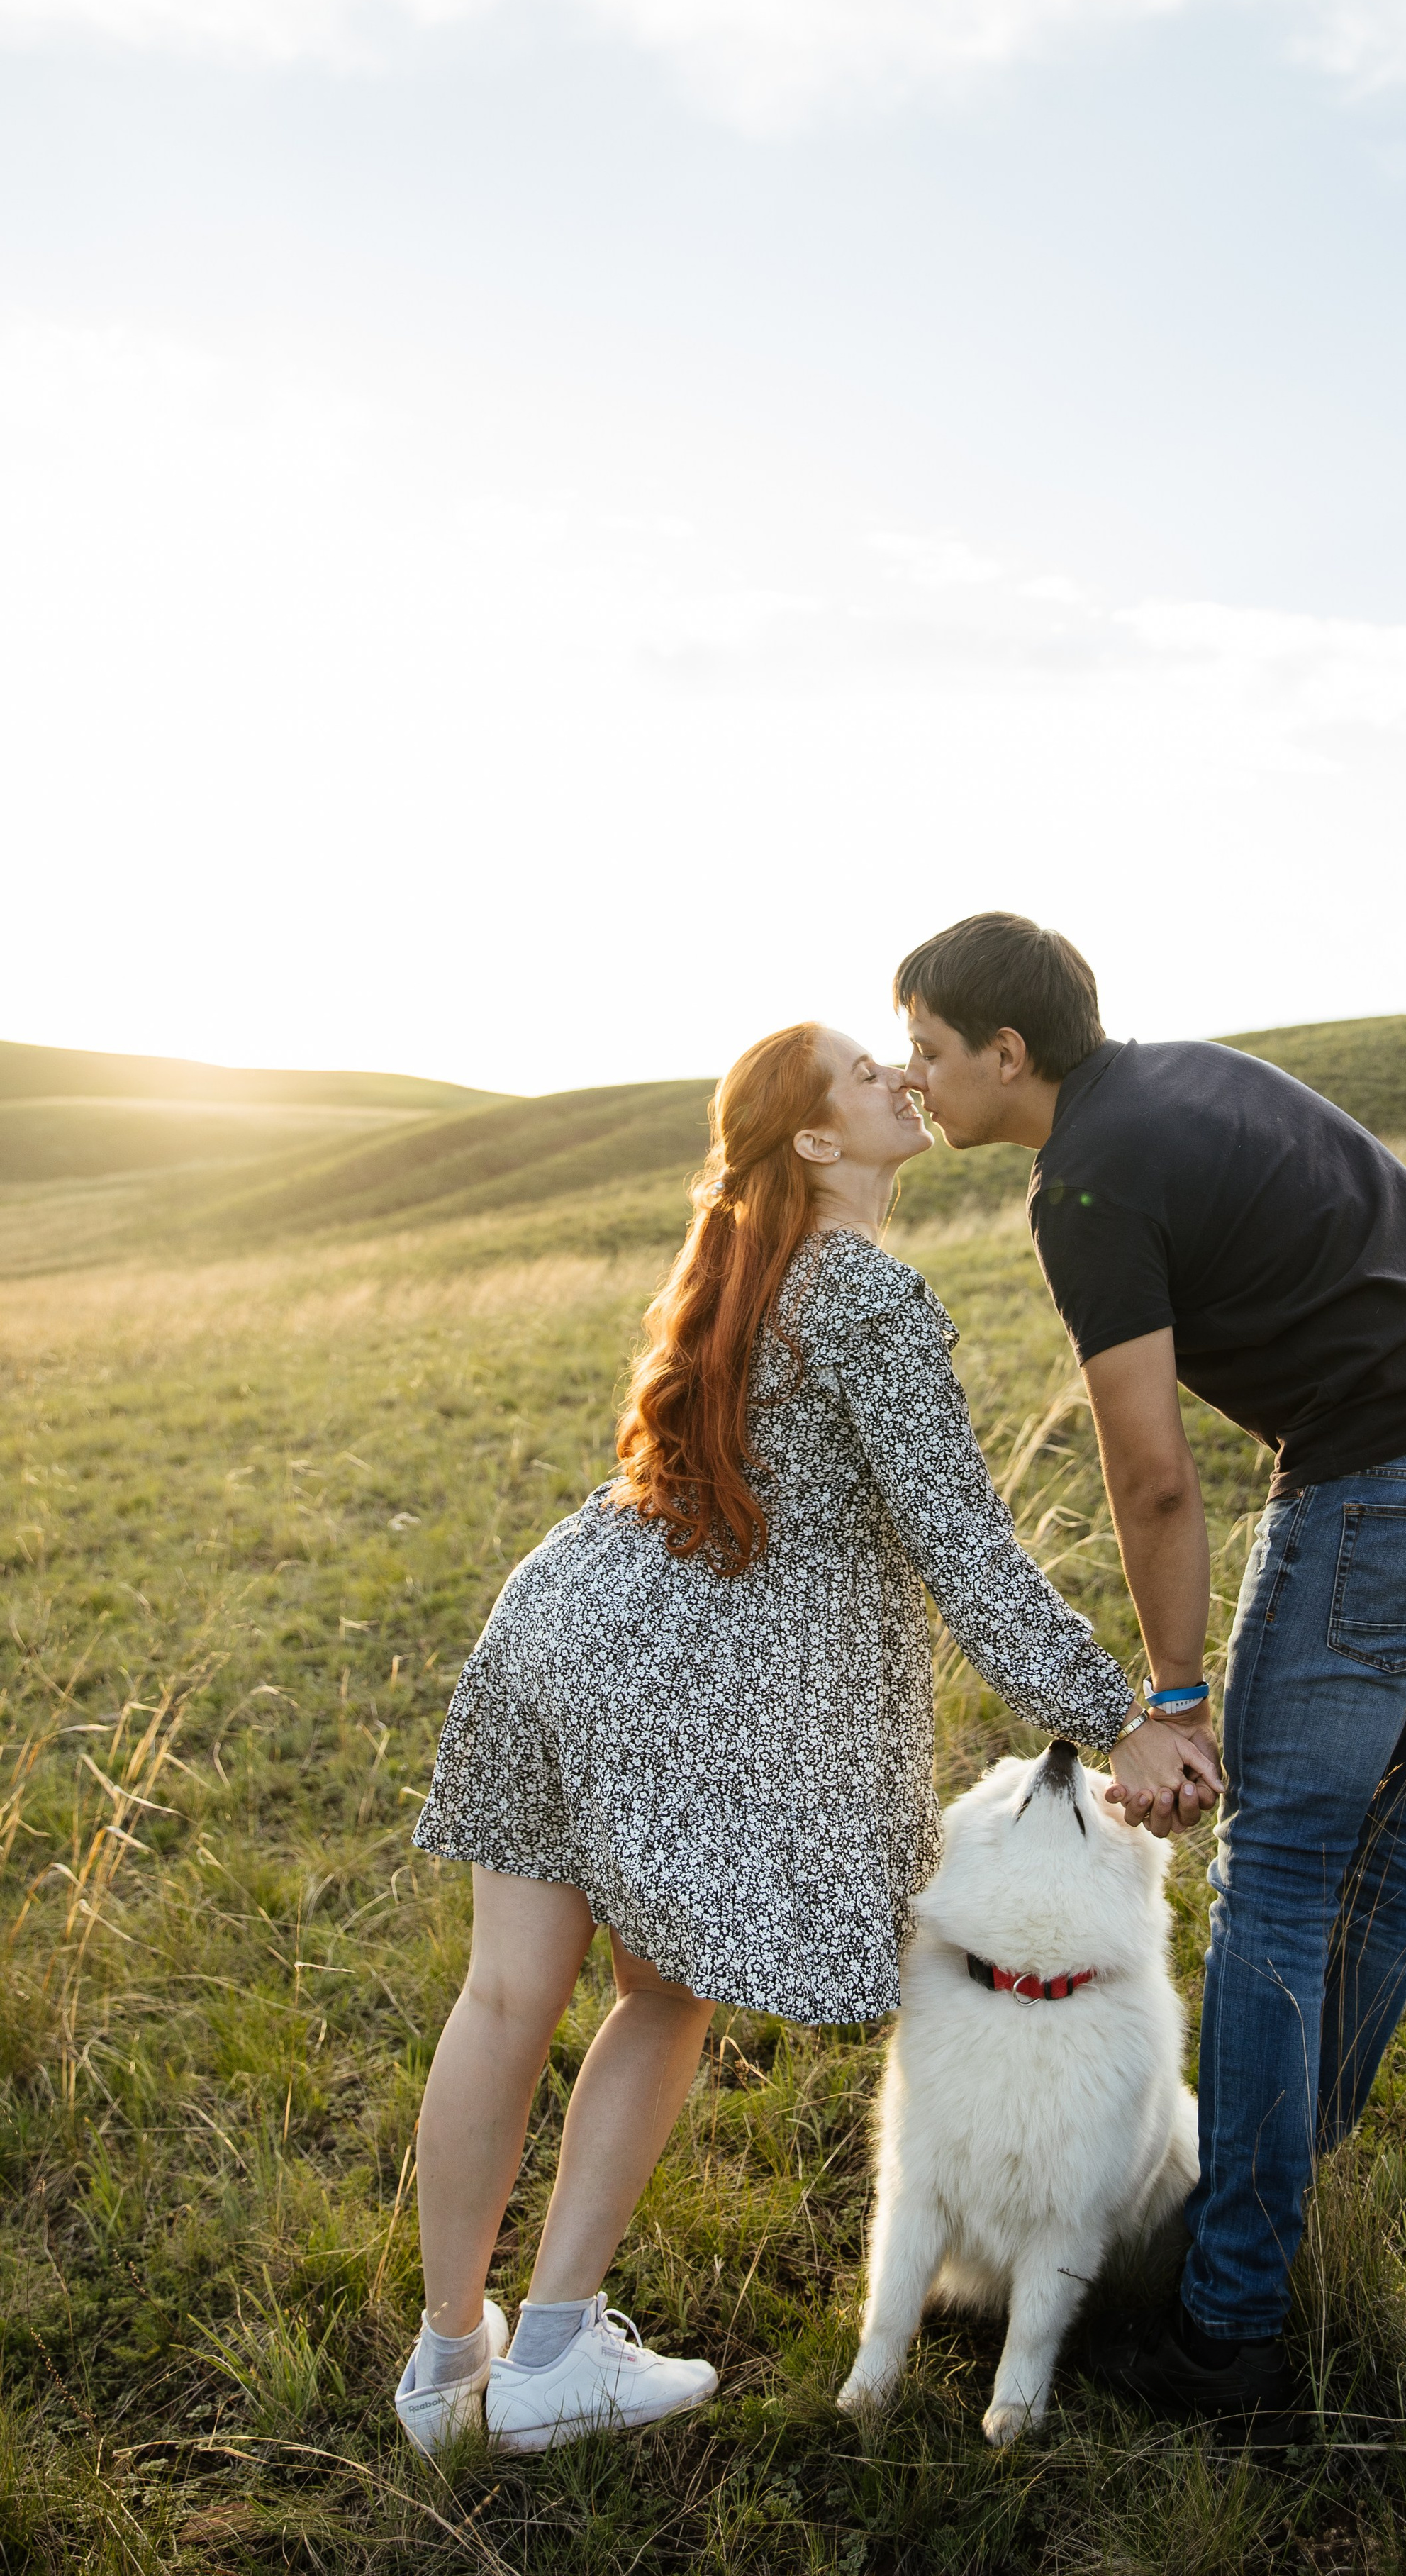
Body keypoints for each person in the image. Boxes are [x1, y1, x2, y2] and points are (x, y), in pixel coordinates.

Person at [395, 1019, 1217, 2455]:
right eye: (862, 1071)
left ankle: (445, 2365)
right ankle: (552, 2356)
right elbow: (968, 1556)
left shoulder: (740, 1267)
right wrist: (1122, 1720)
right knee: (660, 1996)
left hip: (559, 1616)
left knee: (504, 1995)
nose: (899, 1073)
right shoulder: (867, 1293)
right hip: (675, 1675)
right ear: (818, 1140)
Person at [896, 913, 1406, 2422]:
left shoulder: (1081, 1181)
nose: (916, 1080)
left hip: (1395, 1486)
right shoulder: (1195, 1078)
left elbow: (1150, 1476)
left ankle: (1226, 2322)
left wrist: (1170, 1694)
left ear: (1005, 1053)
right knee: (1385, 1857)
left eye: (928, 1050)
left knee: (1275, 1877)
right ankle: (1267, 2209)